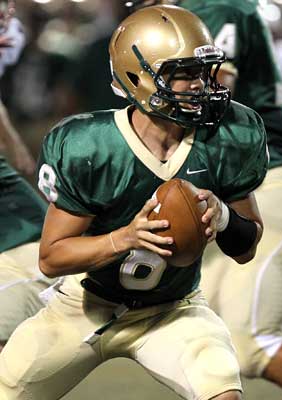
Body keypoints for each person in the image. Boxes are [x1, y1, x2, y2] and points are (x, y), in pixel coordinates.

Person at [0, 5, 268, 400]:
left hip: (174, 309)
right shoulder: (91, 146)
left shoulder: (228, 134)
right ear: (137, 77)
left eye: (202, 72)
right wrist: (125, 237)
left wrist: (224, 216)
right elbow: (53, 258)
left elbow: (246, 249)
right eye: (184, 73)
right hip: (83, 306)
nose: (200, 85)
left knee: (223, 390)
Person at [124, 0, 282, 397]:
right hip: (242, 176)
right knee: (211, 337)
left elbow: (206, 100)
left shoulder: (211, 6)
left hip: (263, 176)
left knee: (252, 343)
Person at [0, 0, 55, 352]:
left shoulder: (12, 34)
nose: (6, 16)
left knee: (43, 240)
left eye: (7, 6)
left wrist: (15, 143)